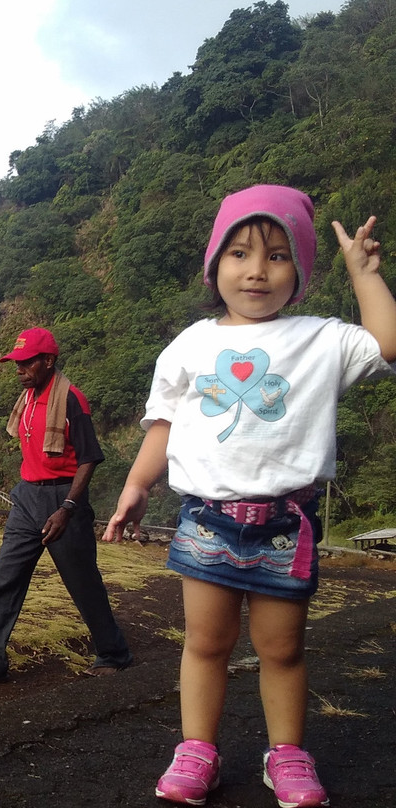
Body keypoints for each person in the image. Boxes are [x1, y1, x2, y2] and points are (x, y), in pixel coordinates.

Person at [103, 185, 396, 807]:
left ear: (301, 270)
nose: (256, 270)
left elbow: (389, 344)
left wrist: (365, 275)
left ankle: (286, 754)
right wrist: (136, 485)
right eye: (238, 253)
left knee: (282, 649)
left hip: (286, 525)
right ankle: (197, 751)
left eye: (277, 255)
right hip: (206, 520)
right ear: (215, 266)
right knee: (205, 644)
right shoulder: (189, 344)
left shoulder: (323, 338)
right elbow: (166, 424)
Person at [0, 327, 133, 685]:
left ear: (49, 361)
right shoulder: (27, 398)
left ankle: (114, 653)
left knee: (82, 581)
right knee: (5, 577)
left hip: (63, 499)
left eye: (26, 363)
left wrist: (68, 507)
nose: (19, 370)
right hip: (27, 497)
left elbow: (89, 458)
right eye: (16, 363)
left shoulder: (71, 400)